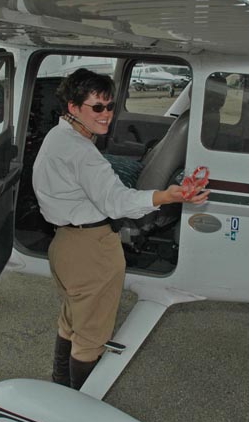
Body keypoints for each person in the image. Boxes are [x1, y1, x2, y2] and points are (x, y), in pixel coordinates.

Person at [32, 68, 209, 390]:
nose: (107, 115)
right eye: (97, 107)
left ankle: (59, 387)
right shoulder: (83, 153)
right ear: (73, 107)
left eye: (110, 106)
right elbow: (117, 203)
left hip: (65, 245)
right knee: (92, 338)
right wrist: (167, 195)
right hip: (91, 251)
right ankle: (77, 408)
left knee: (71, 322)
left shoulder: (59, 136)